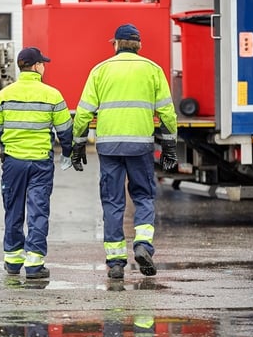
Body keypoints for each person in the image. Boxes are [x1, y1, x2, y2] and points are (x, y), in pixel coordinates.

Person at [71, 23, 178, 279]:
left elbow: (84, 111)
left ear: (115, 44)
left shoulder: (100, 70)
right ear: (139, 45)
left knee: (112, 201)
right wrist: (169, 146)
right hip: (140, 145)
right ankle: (142, 246)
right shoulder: (153, 71)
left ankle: (116, 262)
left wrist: (77, 143)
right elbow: (167, 112)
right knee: (143, 196)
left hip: (108, 146)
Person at [0, 47, 73, 280]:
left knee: (13, 211)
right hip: (40, 163)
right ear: (35, 67)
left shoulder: (4, 95)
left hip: (13, 163)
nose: (44, 66)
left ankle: (13, 262)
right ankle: (34, 264)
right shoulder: (52, 94)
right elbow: (65, 128)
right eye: (42, 63)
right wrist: (68, 152)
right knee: (38, 211)